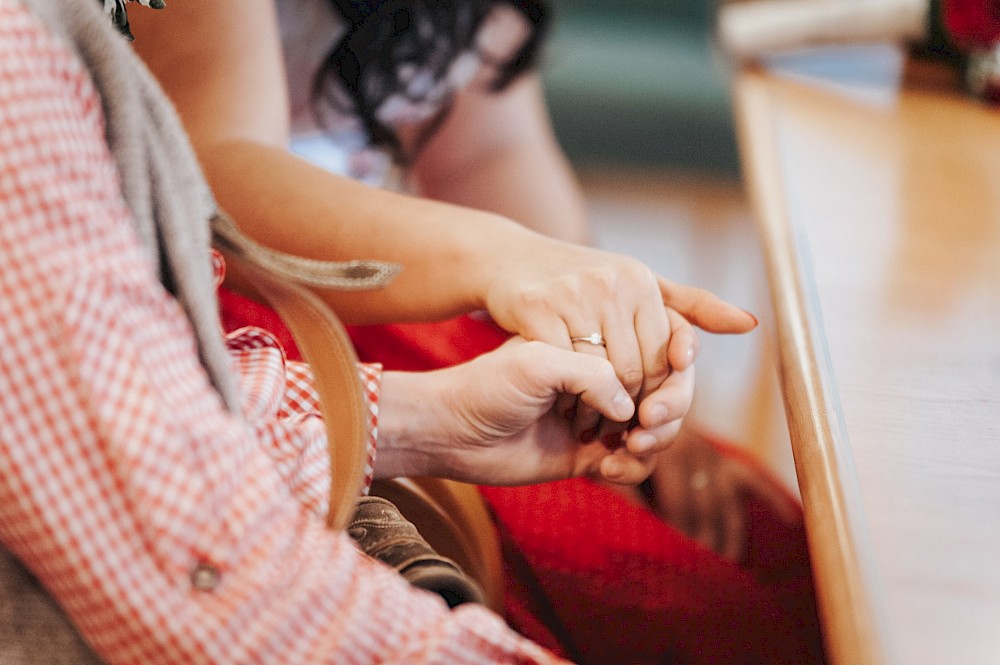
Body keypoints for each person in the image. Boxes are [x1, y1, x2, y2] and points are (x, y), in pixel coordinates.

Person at [0, 0, 751, 662]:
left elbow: (495, 153)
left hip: (362, 323)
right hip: (256, 309)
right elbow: (219, 183)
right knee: (641, 588)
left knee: (745, 543)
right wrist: (505, 258)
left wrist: (621, 350)